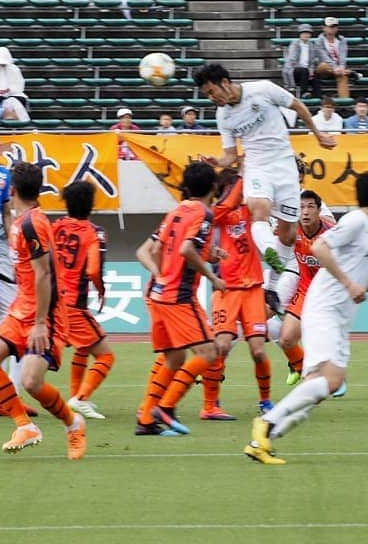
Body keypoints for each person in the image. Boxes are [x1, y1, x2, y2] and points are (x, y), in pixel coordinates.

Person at [244, 171, 368, 465]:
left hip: (338, 314)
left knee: (318, 388)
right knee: (329, 381)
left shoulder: (367, 229)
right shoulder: (356, 221)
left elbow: (354, 278)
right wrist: (348, 284)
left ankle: (260, 443)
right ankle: (266, 424)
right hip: (325, 310)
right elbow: (320, 247)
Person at [193, 63, 336, 311]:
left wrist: (317, 134)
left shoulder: (263, 89)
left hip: (284, 165)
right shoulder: (223, 116)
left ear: (224, 83)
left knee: (288, 234)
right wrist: (218, 162)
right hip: (257, 166)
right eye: (206, 95)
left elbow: (297, 106)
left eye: (211, 91)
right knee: (259, 210)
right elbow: (230, 156)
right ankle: (270, 251)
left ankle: (272, 287)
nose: (211, 98)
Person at [0, 161, 86, 457]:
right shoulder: (19, 220)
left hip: (44, 313)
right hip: (21, 306)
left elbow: (44, 273)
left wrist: (39, 323)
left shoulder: (31, 223)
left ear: (12, 189)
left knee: (32, 382)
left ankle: (73, 423)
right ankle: (25, 426)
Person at [134, 161, 224, 436]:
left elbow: (155, 249)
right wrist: (212, 277)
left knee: (174, 359)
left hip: (160, 295)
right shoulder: (204, 214)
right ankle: (167, 406)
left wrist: (162, 274)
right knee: (209, 352)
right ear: (213, 187)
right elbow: (185, 249)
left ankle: (146, 419)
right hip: (180, 296)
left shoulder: (176, 211)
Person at [203, 170, 274, 420]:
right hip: (227, 289)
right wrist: (246, 172)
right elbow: (228, 203)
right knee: (220, 345)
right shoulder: (217, 213)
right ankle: (210, 405)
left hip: (253, 288)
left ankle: (265, 401)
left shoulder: (252, 211)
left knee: (258, 350)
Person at [54, 179, 114, 422]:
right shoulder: (94, 233)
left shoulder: (55, 226)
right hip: (73, 304)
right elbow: (92, 271)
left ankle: (77, 397)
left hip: (54, 300)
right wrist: (101, 290)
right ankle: (80, 398)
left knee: (83, 347)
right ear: (91, 204)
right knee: (106, 356)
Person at [274, 190, 334, 385]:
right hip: (305, 291)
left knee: (321, 346)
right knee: (286, 340)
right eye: (301, 208)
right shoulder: (291, 230)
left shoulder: (332, 233)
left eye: (310, 207)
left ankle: (335, 377)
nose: (305, 212)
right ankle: (304, 372)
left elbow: (356, 252)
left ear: (319, 210)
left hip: (328, 296)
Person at [313, 16, 352, 99]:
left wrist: (341, 67)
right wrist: (335, 68)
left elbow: (343, 55)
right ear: (324, 28)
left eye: (334, 27)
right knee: (323, 65)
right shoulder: (319, 41)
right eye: (330, 27)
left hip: (338, 69)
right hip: (325, 68)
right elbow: (323, 56)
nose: (332, 29)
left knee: (342, 77)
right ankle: (349, 72)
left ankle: (344, 101)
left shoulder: (342, 40)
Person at [0, 46, 29, 123]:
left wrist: (9, 89)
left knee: (15, 101)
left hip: (13, 94)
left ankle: (15, 122)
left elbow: (20, 84)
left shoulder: (14, 69)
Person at [282, 23, 321, 98]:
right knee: (304, 71)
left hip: (306, 70)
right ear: (300, 34)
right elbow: (292, 60)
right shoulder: (295, 44)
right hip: (294, 70)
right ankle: (304, 92)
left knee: (315, 74)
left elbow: (312, 61)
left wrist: (311, 70)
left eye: (308, 33)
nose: (306, 35)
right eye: (304, 33)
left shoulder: (311, 46)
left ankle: (318, 96)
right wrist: (307, 70)